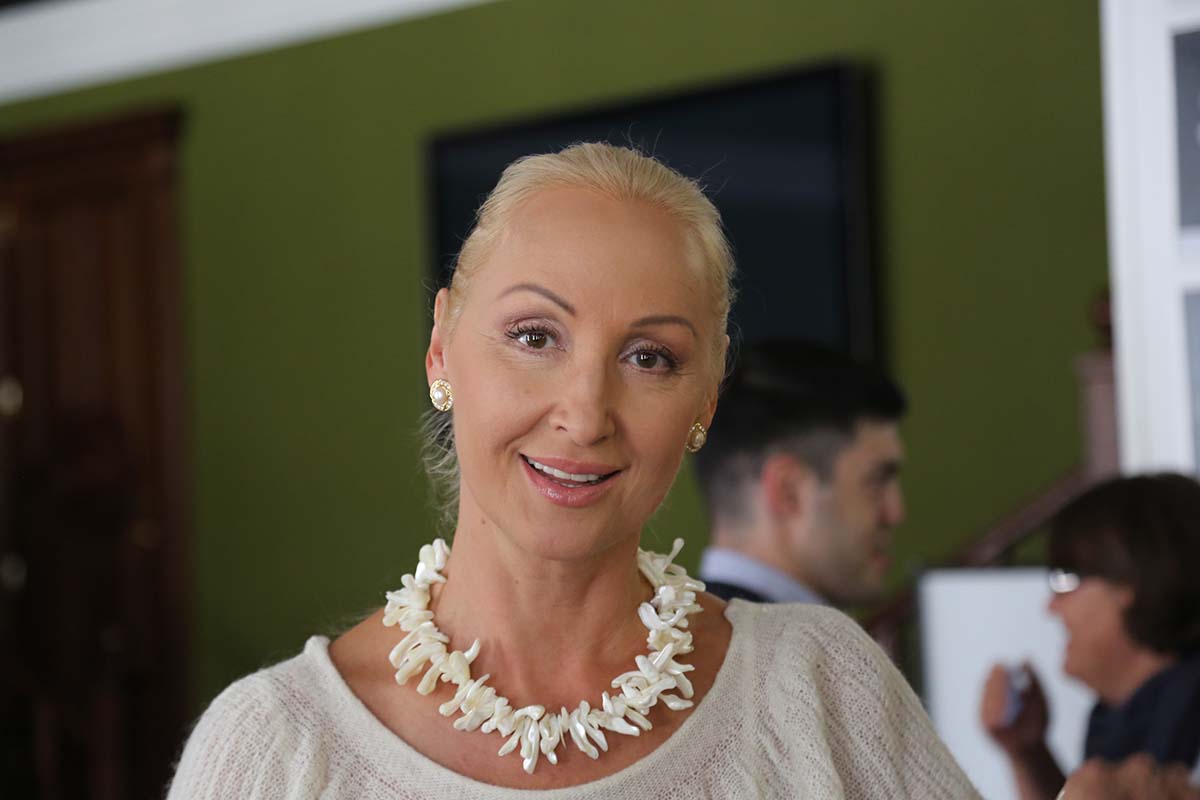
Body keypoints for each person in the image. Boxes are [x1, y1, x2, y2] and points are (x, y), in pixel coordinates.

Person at [167, 143, 978, 797]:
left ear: (706, 395)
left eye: (649, 357)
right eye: (534, 337)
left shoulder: (821, 690)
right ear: (441, 348)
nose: (586, 414)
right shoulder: (276, 748)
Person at [980, 473, 1200, 800]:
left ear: (1129, 581)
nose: (1051, 607)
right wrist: (1029, 752)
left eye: (1065, 580)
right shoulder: (1117, 721)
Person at [693, 340, 906, 606]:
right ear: (788, 491)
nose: (895, 513)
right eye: (877, 481)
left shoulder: (680, 625)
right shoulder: (761, 633)